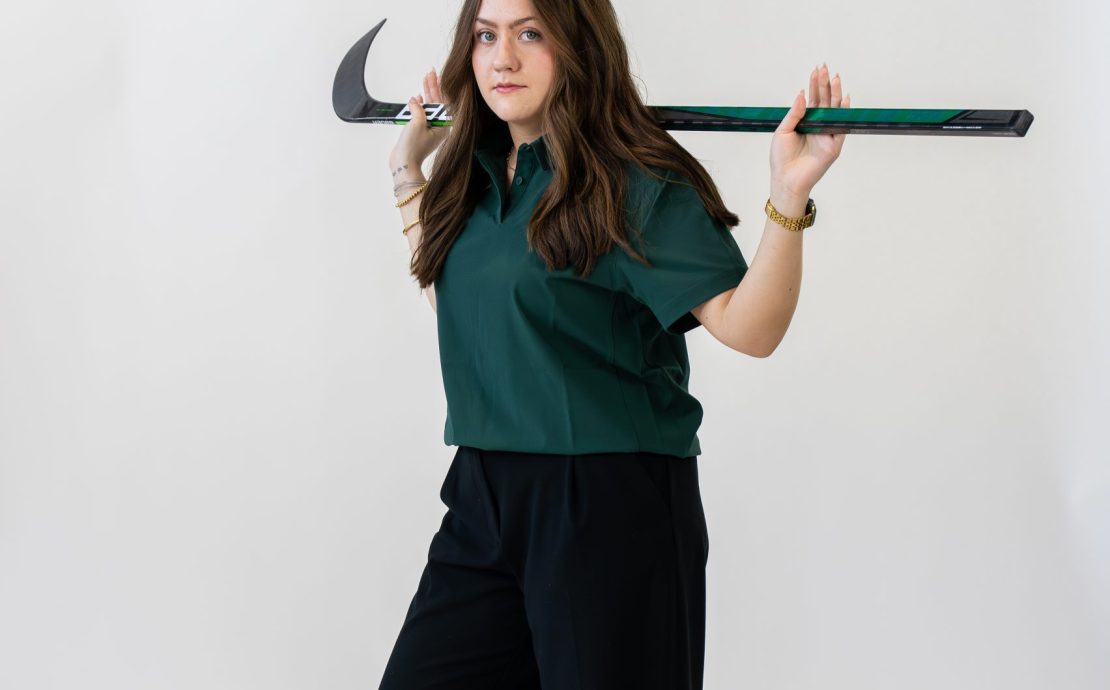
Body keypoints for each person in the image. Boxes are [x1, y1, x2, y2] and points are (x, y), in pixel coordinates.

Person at [381, 0, 849, 687]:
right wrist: (408, 173)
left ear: (578, 46)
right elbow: (450, 295)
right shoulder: (471, 177)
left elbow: (751, 330)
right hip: (482, 493)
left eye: (530, 33)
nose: (501, 58)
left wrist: (789, 194)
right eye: (486, 36)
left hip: (607, 501)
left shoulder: (635, 182)